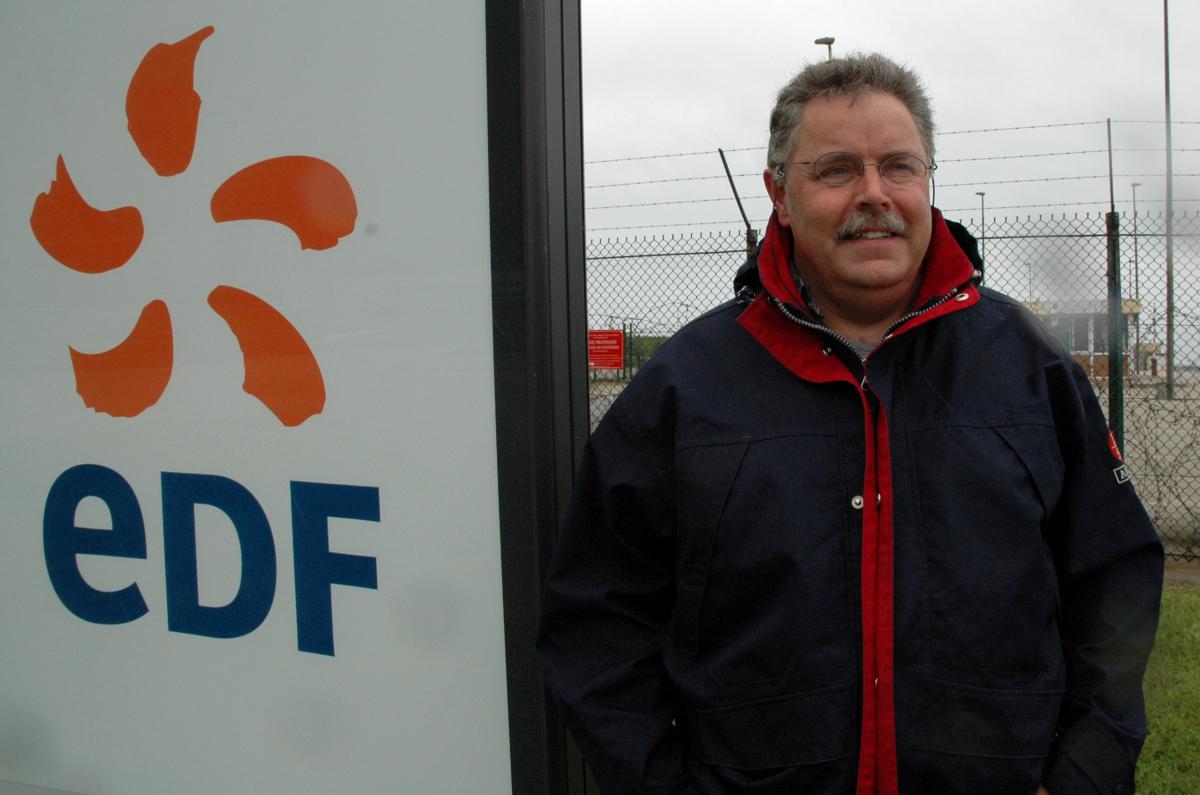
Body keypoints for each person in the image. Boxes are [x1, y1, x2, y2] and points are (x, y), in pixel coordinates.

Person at [537, 53, 1163, 795]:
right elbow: (597, 624)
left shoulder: (1032, 370)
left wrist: (1085, 770)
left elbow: (1114, 582)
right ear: (779, 194)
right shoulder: (683, 388)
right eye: (836, 170)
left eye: (899, 167)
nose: (875, 194)